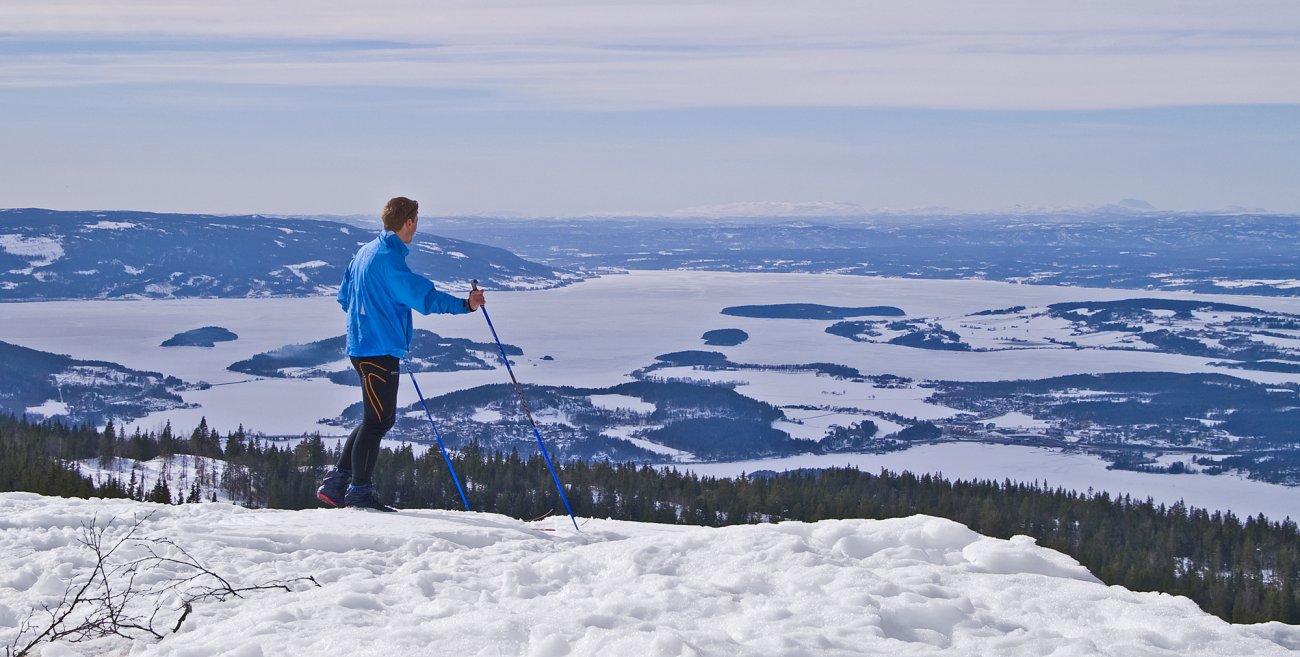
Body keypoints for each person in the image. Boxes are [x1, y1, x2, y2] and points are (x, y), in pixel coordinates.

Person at [316, 196, 485, 511]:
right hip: (378, 351)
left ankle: (337, 482)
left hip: (361, 346)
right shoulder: (388, 261)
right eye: (417, 221)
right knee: (379, 421)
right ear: (410, 222)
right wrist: (466, 305)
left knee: (374, 419)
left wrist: (368, 318)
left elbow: (344, 297)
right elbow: (425, 298)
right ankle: (359, 491)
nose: (417, 227)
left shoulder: (363, 253)